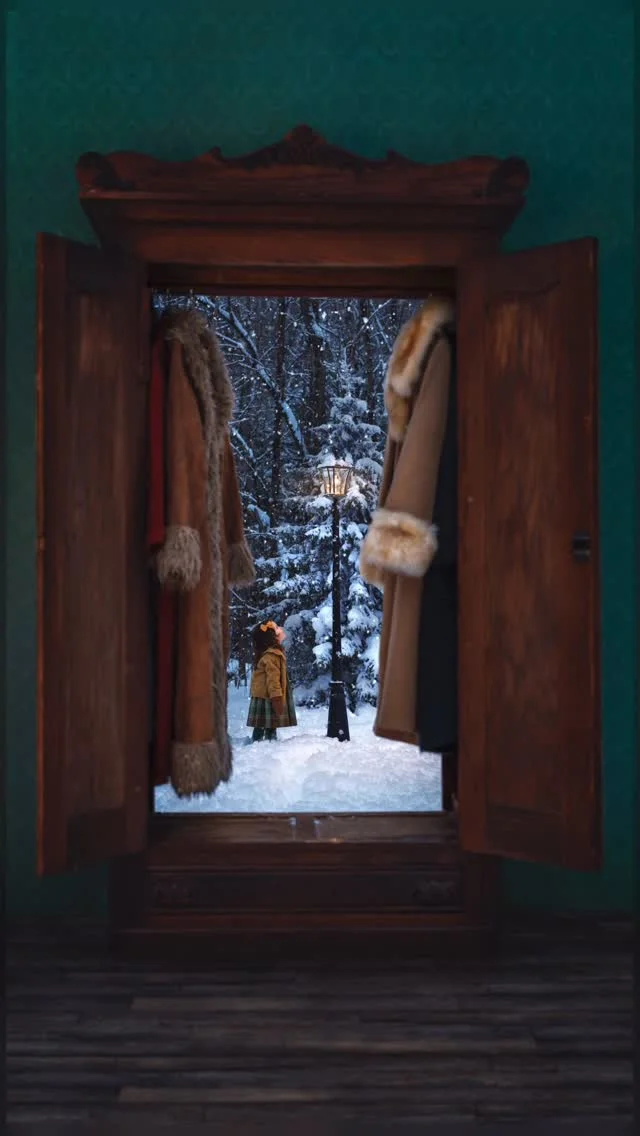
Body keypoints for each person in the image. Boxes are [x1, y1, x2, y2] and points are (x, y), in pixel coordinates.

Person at [247, 620, 297, 742]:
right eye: (276, 629)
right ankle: (264, 743)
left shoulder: (271, 653)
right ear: (271, 637)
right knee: (267, 723)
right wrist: (276, 697)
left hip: (265, 694)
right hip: (268, 696)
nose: (280, 630)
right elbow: (273, 679)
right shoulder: (272, 655)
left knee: (266, 723)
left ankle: (266, 741)